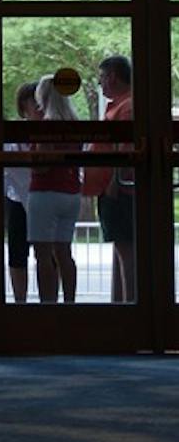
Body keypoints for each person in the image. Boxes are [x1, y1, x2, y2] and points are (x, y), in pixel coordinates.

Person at [27, 74, 81, 304]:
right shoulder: (75, 123)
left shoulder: (46, 125)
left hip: (45, 192)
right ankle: (69, 303)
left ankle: (47, 306)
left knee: (43, 255)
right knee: (64, 252)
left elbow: (42, 166)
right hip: (71, 192)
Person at [90, 55, 135, 304]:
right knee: (121, 252)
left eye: (102, 77)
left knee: (126, 254)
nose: (100, 83)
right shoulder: (121, 105)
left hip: (118, 190)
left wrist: (114, 182)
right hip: (112, 188)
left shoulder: (126, 107)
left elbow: (125, 148)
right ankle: (120, 308)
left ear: (113, 77)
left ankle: (130, 313)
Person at [5, 82, 36, 304]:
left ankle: (50, 302)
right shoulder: (14, 131)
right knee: (17, 254)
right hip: (17, 199)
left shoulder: (53, 130)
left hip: (43, 196)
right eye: (33, 100)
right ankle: (20, 302)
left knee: (51, 253)